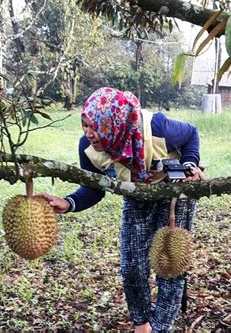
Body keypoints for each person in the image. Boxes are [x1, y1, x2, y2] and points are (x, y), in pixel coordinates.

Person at [38, 87, 203, 332]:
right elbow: (94, 187)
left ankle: (161, 327)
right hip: (135, 194)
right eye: (85, 125)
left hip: (175, 193)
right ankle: (142, 324)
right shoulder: (89, 148)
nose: (89, 133)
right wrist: (69, 202)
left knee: (171, 267)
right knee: (132, 268)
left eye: (95, 126)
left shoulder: (156, 128)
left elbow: (191, 134)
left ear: (115, 121)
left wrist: (190, 164)